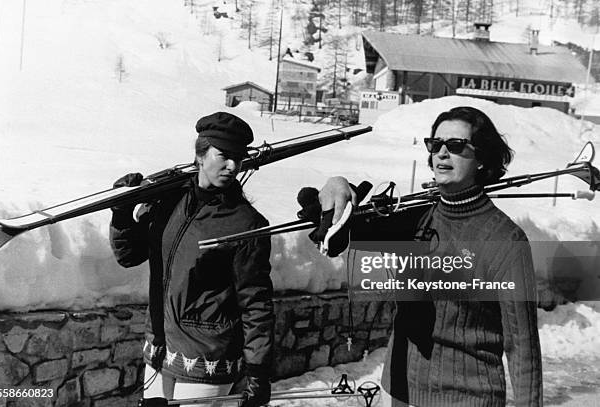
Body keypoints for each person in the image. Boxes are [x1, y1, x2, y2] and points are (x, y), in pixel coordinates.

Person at [318, 106, 542, 406]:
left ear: (481, 160)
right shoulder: (415, 219)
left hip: (466, 397)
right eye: (435, 145)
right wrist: (336, 185)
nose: (442, 153)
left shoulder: (504, 239)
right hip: (400, 390)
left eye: (456, 146)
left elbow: (522, 344)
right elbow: (342, 237)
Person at [109, 112, 274, 407]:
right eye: (223, 156)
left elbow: (256, 303)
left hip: (209, 360)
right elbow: (129, 255)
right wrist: (122, 214)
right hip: (160, 350)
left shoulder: (246, 224)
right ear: (200, 154)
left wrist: (259, 372)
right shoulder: (168, 201)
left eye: (238, 158)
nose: (233, 166)